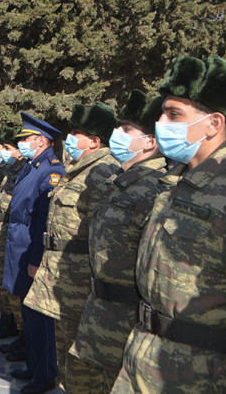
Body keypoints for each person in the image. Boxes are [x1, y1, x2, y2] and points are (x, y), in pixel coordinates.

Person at [112, 56, 226, 392]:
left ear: (214, 123)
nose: (160, 122)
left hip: (199, 378)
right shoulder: (176, 182)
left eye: (174, 114)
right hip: (144, 363)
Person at [67, 91, 167, 393]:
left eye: (126, 129)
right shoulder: (119, 181)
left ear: (149, 141)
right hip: (98, 308)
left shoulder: (158, 188)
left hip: (126, 320)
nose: (117, 134)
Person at [23, 102, 121, 393]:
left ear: (95, 140)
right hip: (64, 276)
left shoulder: (102, 173)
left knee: (82, 363)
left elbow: (102, 234)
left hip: (81, 281)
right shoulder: (79, 169)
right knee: (66, 353)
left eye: (79, 133)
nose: (71, 138)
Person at [2, 112, 65, 394]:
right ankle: (33, 364)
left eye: (25, 139)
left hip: (30, 248)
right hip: (19, 243)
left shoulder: (51, 170)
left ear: (41, 141)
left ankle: (45, 375)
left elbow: (43, 220)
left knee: (39, 317)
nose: (22, 144)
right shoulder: (32, 165)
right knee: (28, 313)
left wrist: (36, 259)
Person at [0, 127, 27, 343]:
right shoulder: (9, 169)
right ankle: (7, 319)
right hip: (1, 228)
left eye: (4, 147)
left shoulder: (25, 170)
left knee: (11, 285)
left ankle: (19, 331)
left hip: (14, 233)